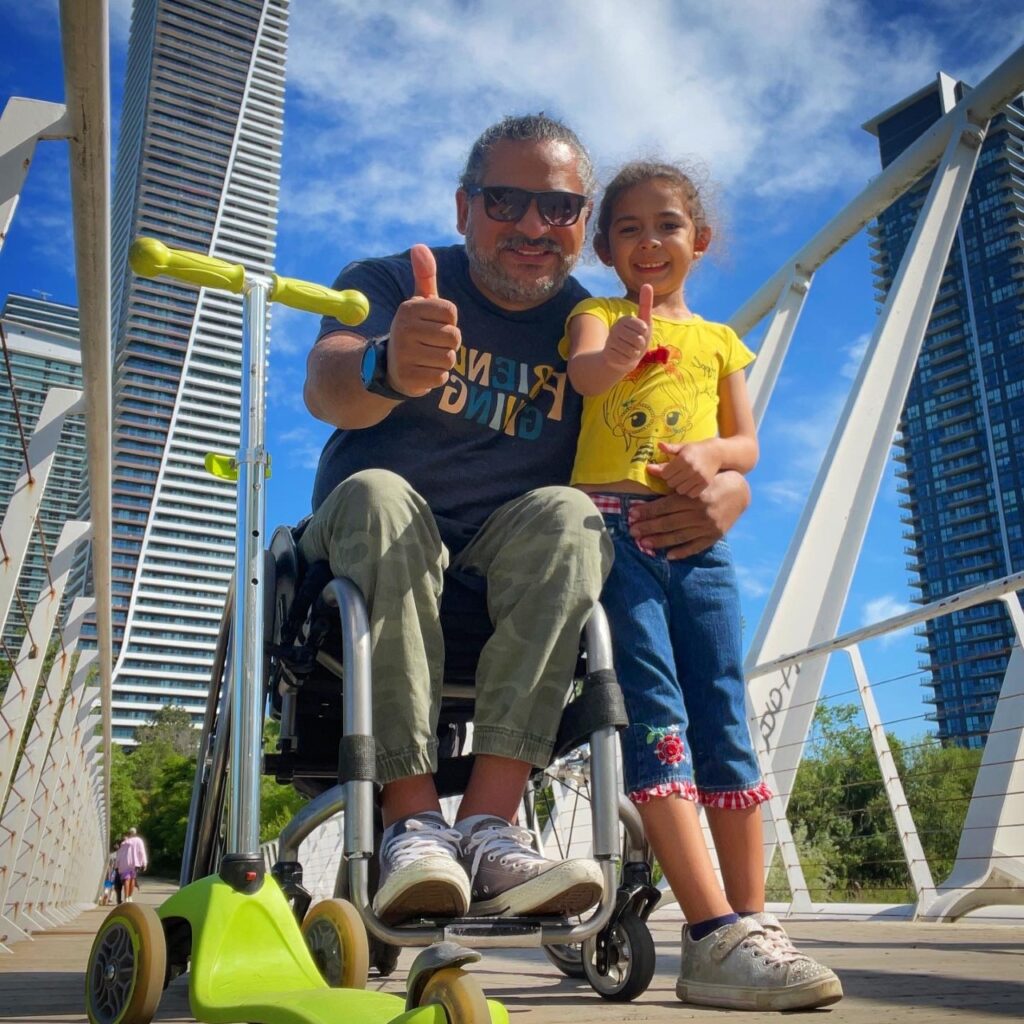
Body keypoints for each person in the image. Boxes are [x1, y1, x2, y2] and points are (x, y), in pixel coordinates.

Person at [301, 115, 751, 926]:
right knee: (379, 495)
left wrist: (727, 487)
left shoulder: (598, 325)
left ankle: (488, 824)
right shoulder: (398, 280)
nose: (534, 227)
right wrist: (386, 365)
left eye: (560, 207)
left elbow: (661, 443)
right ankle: (412, 825)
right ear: (464, 207)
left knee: (571, 516)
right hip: (371, 554)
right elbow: (326, 386)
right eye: (506, 201)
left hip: (508, 571)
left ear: (584, 227)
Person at [565, 160, 843, 1010]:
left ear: (701, 239)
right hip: (617, 527)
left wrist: (715, 458)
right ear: (608, 249)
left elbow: (746, 444)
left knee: (724, 704)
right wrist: (613, 354)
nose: (649, 242)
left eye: (668, 225)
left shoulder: (722, 340)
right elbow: (584, 378)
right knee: (656, 708)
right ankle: (709, 928)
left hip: (702, 544)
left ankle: (748, 925)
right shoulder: (597, 314)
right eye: (629, 230)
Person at [115, 827, 148, 903]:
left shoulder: (124, 843)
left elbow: (119, 855)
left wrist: (117, 865)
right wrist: (144, 863)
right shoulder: (139, 840)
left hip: (124, 863)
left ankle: (126, 897)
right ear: (135, 833)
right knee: (132, 878)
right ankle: (130, 897)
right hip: (134, 863)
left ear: (129, 833)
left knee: (127, 879)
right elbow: (142, 852)